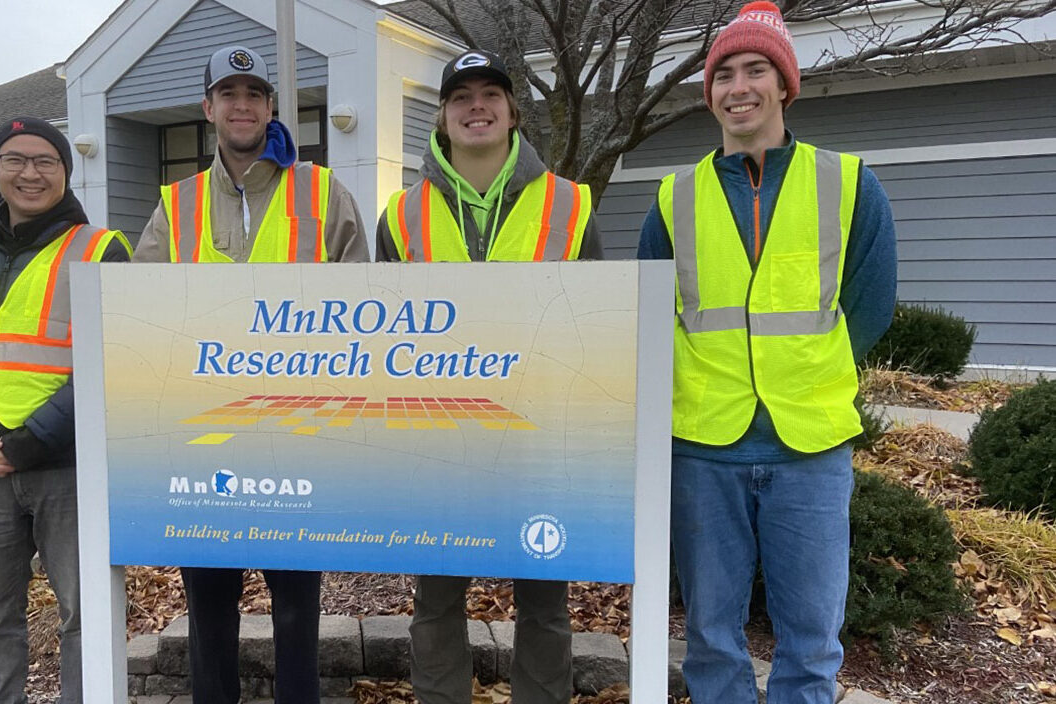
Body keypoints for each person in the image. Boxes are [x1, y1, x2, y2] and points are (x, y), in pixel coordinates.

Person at [637, 3, 898, 702]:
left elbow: (868, 310)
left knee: (811, 641)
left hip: (808, 449)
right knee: (710, 640)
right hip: (702, 447)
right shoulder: (673, 198)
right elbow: (647, 320)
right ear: (709, 92)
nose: (737, 86)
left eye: (755, 69)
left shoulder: (848, 185)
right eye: (722, 74)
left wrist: (803, 374)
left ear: (784, 85)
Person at [131, 45, 368, 704]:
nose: (242, 106)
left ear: (270, 108)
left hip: (298, 435)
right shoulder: (173, 208)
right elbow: (142, 323)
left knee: (297, 604)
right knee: (209, 607)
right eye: (228, 94)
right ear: (208, 109)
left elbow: (365, 309)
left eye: (255, 95)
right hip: (204, 443)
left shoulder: (323, 193)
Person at [376, 49, 602, 704]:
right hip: (438, 440)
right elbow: (384, 335)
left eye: (490, 94)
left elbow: (594, 326)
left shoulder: (570, 203)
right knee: (436, 603)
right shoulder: (400, 215)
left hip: (540, 438)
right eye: (460, 96)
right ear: (442, 118)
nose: (476, 106)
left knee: (544, 606)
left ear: (510, 112)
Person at [0, 116, 133, 704]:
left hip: (67, 465)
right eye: (15, 159)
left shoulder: (100, 249)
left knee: (84, 616)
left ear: (65, 170)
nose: (30, 173)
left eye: (46, 161)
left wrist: (31, 441)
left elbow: (108, 357)